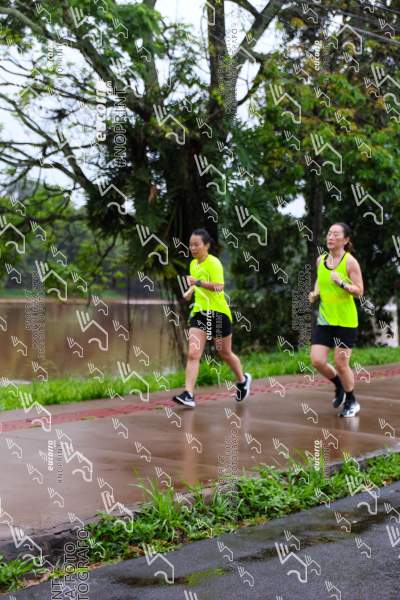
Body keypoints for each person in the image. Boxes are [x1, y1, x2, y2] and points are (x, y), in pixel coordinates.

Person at [172, 228, 252, 408]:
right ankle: (188, 394)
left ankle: (242, 380)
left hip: (218, 313)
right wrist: (191, 290)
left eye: (196, 244)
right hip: (200, 312)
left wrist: (196, 283)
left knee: (224, 353)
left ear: (206, 245)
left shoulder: (214, 263)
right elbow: (199, 283)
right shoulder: (193, 264)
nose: (193, 248)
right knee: (193, 354)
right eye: (191, 245)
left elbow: (219, 286)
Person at [308, 222, 364, 417]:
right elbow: (320, 279)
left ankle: (351, 400)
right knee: (317, 360)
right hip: (325, 320)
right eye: (329, 233)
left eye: (336, 234)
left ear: (345, 240)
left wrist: (341, 283)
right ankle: (339, 385)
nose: (331, 237)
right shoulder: (321, 260)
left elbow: (359, 291)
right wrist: (315, 293)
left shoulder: (350, 262)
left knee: (341, 363)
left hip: (345, 321)